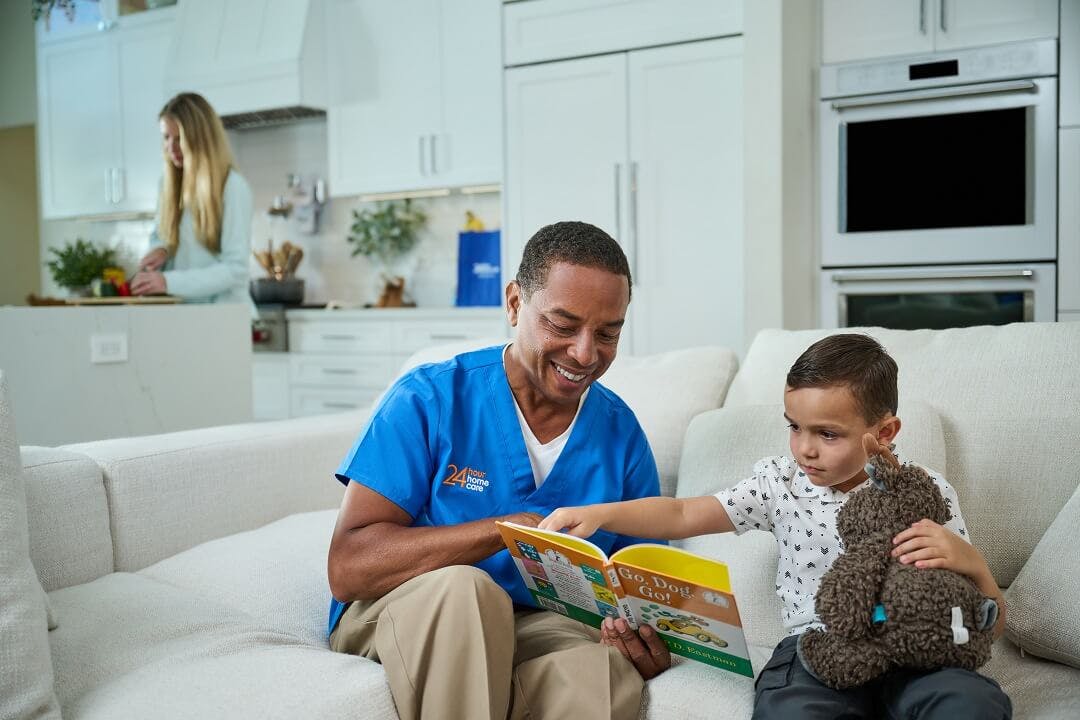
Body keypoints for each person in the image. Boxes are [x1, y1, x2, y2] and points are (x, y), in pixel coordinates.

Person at [541, 333, 1012, 719]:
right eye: (795, 427)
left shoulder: (925, 492)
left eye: (827, 434)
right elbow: (685, 513)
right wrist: (604, 512)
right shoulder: (779, 483)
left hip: (914, 649)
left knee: (973, 704)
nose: (804, 449)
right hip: (817, 648)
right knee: (791, 709)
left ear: (885, 433)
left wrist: (974, 566)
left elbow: (981, 625)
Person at [326, 221, 671, 720]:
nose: (584, 353)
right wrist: (500, 532)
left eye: (608, 333)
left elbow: (642, 585)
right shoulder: (429, 398)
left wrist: (642, 637)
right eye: (562, 324)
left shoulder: (621, 434)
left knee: (606, 672)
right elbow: (347, 568)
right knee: (469, 591)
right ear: (514, 303)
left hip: (532, 623)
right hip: (404, 608)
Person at [131, 92, 253, 307]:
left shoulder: (232, 186)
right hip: (187, 316)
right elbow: (160, 237)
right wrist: (161, 249)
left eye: (179, 139)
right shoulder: (167, 186)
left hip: (225, 317)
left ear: (201, 139)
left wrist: (168, 282)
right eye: (166, 137)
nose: (171, 147)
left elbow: (236, 269)